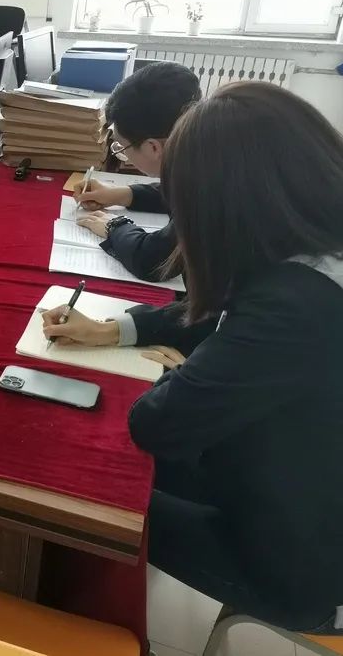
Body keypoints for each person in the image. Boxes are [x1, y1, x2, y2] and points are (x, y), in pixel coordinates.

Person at [43, 82, 343, 633]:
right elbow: (225, 310)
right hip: (288, 477)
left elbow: (157, 423)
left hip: (301, 566)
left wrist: (180, 373)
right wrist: (118, 328)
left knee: (77, 490)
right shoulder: (314, 247)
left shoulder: (296, 305)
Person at [72, 62, 201, 282]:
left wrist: (114, 226)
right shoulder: (204, 146)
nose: (122, 153)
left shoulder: (208, 187)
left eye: (122, 147)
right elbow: (175, 190)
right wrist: (122, 194)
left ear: (153, 148)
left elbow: (152, 261)